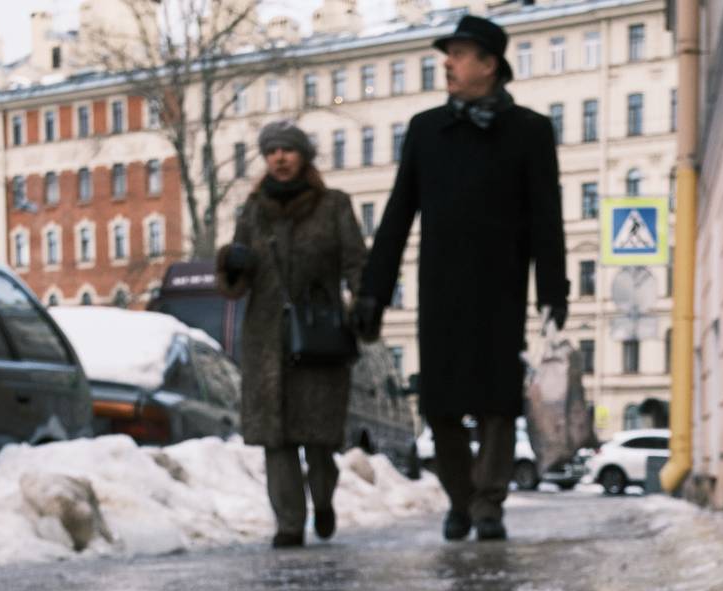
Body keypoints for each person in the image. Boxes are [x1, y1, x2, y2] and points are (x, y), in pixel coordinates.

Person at [357, 14, 568, 542]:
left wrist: (554, 293)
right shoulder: (427, 130)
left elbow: (547, 217)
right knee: (442, 404)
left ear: (489, 64)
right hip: (441, 290)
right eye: (446, 55)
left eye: (458, 54)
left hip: (501, 289)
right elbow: (399, 213)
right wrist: (374, 292)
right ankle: (460, 497)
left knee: (497, 403)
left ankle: (489, 503)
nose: (447, 64)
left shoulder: (531, 132)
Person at [216, 121, 367, 548]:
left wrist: (361, 304)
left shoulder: (333, 205)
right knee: (276, 439)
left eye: (288, 150)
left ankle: (322, 501)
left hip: (319, 335)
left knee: (318, 438)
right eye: (272, 151)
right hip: (265, 339)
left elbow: (356, 261)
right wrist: (232, 262)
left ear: (304, 157)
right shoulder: (253, 209)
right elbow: (237, 282)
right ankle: (288, 523)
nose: (280, 158)